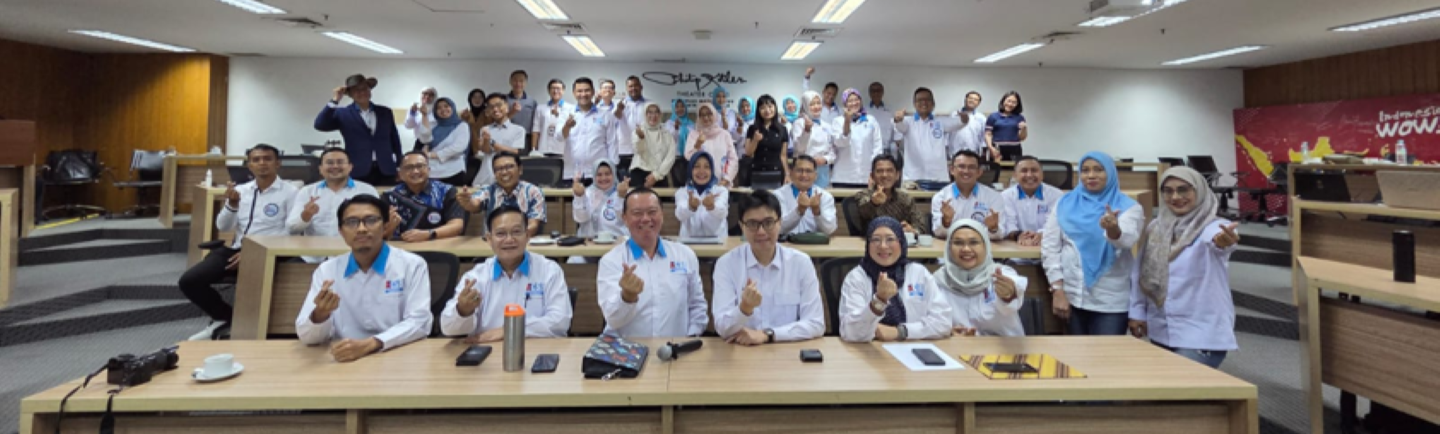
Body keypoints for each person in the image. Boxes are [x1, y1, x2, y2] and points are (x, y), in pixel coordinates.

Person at [181, 144, 298, 341]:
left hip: (272, 251)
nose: (262, 163)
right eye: (256, 159)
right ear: (249, 165)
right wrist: (232, 205)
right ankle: (227, 318)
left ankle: (254, 326)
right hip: (237, 248)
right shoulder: (240, 190)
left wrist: (254, 253)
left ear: (278, 163)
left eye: (267, 159)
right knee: (190, 281)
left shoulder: (291, 192)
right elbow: (223, 226)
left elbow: (291, 231)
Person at [295, 194, 432, 362]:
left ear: (386, 226)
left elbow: (420, 322)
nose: (361, 229)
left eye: (371, 220)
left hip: (398, 355)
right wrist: (320, 314)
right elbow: (307, 337)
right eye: (352, 222)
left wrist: (372, 344)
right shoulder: (327, 270)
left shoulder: (412, 265)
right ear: (341, 231)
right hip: (344, 358)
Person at [1130, 167, 1240, 369]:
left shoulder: (1213, 227)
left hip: (1201, 332)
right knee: (1166, 385)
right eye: (1168, 191)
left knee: (1180, 383)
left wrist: (1223, 242)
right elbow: (1141, 271)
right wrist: (1137, 312)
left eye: (1183, 190)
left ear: (1199, 190)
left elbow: (1219, 243)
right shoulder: (1156, 227)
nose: (1175, 197)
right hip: (1161, 328)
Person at [1042, 151, 1142, 336]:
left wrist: (1113, 229)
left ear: (1110, 173)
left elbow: (1126, 241)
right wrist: (1058, 290)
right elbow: (1050, 248)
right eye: (1085, 170)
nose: (1091, 175)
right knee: (1076, 352)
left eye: (1098, 170)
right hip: (1072, 296)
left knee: (1106, 353)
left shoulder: (1129, 207)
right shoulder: (1064, 203)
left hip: (1110, 300)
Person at [441, 205, 572, 341]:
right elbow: (447, 328)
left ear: (527, 235)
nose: (509, 239)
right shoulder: (476, 277)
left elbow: (560, 322)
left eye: (516, 232)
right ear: (489, 239)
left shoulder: (549, 270)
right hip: (488, 349)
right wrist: (462, 311)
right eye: (500, 234)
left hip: (537, 348)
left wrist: (508, 331)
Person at [713, 190, 825, 345]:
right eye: (752, 224)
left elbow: (816, 324)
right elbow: (722, 328)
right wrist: (744, 308)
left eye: (768, 223)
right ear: (741, 226)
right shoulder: (727, 264)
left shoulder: (801, 263)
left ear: (779, 223)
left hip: (787, 351)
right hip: (743, 351)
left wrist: (768, 334)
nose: (761, 231)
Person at [596, 188, 709, 338]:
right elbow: (613, 320)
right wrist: (627, 297)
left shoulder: (685, 255)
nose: (645, 219)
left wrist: (690, 339)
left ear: (662, 215)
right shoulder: (611, 261)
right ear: (625, 218)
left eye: (652, 212)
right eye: (637, 213)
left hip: (675, 348)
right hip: (626, 350)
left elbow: (697, 307)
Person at [839, 217, 952, 342]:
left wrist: (901, 331)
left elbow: (944, 322)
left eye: (890, 239)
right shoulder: (856, 277)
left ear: (901, 242)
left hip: (912, 347)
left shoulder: (919, 273)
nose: (883, 246)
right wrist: (878, 301)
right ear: (868, 245)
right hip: (868, 350)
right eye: (876, 240)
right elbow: (851, 333)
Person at [934, 219, 1028, 337]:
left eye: (973, 242)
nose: (966, 249)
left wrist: (1009, 295)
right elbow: (932, 322)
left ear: (985, 246)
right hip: (957, 346)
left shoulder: (1001, 274)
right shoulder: (937, 281)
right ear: (948, 247)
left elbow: (1014, 293)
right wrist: (948, 333)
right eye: (958, 243)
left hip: (1002, 346)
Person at [287, 147, 380, 263]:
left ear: (350, 167)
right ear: (320, 168)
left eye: (340, 162)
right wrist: (306, 215)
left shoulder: (367, 190)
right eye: (330, 163)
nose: (335, 166)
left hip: (354, 256)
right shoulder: (307, 192)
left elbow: (377, 225)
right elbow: (291, 228)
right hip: (313, 257)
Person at [314, 74, 404, 186]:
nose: (362, 92)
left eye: (365, 89)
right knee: (359, 197)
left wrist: (400, 166)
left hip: (386, 169)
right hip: (358, 169)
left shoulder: (385, 112)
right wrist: (335, 100)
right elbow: (319, 125)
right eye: (357, 90)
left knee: (386, 196)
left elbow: (395, 140)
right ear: (350, 94)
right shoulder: (342, 114)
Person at [384, 152, 467, 242]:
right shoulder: (390, 195)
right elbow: (379, 232)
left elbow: (457, 226)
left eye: (420, 166)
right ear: (400, 174)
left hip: (437, 245)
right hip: (400, 247)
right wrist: (389, 229)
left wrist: (428, 234)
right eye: (409, 167)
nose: (415, 171)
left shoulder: (447, 191)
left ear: (428, 170)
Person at [458, 152, 545, 237]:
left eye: (509, 167)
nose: (504, 172)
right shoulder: (488, 191)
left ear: (520, 170)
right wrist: (468, 202)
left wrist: (510, 237)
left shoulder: (533, 192)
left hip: (524, 242)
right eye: (498, 169)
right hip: (492, 243)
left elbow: (533, 225)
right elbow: (474, 204)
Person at [894, 87, 964, 191]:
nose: (924, 102)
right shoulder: (908, 122)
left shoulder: (940, 121)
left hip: (938, 178)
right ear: (914, 104)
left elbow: (959, 123)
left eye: (927, 99)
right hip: (913, 179)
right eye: (920, 100)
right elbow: (900, 126)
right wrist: (898, 119)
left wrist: (964, 119)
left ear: (933, 103)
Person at [930, 150, 1002, 239]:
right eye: (961, 166)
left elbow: (1000, 234)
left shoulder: (993, 197)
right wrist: (946, 221)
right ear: (952, 170)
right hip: (952, 244)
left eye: (971, 167)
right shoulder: (941, 197)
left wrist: (993, 228)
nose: (966, 171)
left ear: (979, 172)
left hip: (982, 245)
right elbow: (938, 232)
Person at [561, 77, 618, 188]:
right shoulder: (566, 113)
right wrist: (567, 126)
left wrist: (612, 172)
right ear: (574, 93)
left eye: (587, 90)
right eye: (579, 91)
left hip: (599, 175)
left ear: (593, 92)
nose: (583, 94)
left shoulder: (606, 115)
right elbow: (559, 136)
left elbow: (612, 144)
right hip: (573, 173)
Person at [1000, 156, 1063, 246]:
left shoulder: (1057, 195)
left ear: (1042, 174)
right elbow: (1009, 225)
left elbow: (1056, 224)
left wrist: (1042, 234)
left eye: (1034, 170)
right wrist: (1019, 235)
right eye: (1024, 171)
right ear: (1015, 175)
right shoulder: (1005, 196)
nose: (1029, 175)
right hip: (1015, 247)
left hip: (1047, 246)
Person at [856, 155, 924, 234]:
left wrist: (913, 230)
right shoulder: (863, 195)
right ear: (872, 176)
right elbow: (863, 211)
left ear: (897, 175)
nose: (885, 175)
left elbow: (921, 226)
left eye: (889, 171)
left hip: (899, 240)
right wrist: (873, 203)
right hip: (873, 239)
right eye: (879, 171)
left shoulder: (905, 199)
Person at [832, 88, 886, 189]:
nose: (854, 103)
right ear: (845, 104)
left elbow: (877, 148)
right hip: (843, 177)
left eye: (856, 99)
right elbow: (841, 142)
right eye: (850, 101)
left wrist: (875, 171)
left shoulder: (871, 120)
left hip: (866, 176)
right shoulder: (838, 121)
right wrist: (847, 122)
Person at [473, 93, 526, 187]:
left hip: (508, 175)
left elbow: (515, 151)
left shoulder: (519, 130)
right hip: (487, 175)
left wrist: (493, 143)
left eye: (498, 105)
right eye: (491, 107)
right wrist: (486, 141)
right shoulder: (485, 129)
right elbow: (486, 150)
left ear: (506, 106)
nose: (495, 109)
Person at [775, 155, 837, 236]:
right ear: (791, 173)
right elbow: (778, 228)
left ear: (815, 175)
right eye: (799, 170)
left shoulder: (825, 196)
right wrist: (799, 211)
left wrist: (817, 211)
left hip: (815, 242)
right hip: (787, 242)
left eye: (808, 171)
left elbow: (830, 229)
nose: (804, 175)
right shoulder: (778, 195)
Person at [683, 103, 739, 186]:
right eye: (702, 115)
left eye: (709, 114)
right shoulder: (693, 134)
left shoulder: (724, 134)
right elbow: (688, 157)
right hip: (700, 184)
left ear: (715, 115)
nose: (706, 118)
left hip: (722, 184)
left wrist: (726, 179)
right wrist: (698, 144)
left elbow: (733, 159)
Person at [676, 152, 730, 239]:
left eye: (706, 167)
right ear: (690, 170)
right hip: (689, 243)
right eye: (697, 166)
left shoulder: (720, 191)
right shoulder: (682, 192)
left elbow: (723, 212)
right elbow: (679, 214)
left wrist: (712, 207)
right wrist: (690, 207)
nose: (701, 171)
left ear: (712, 171)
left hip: (718, 242)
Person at [740, 95, 790, 187]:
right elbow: (748, 153)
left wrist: (787, 174)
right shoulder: (752, 128)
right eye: (762, 108)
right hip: (756, 171)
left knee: (776, 196)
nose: (767, 110)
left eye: (770, 106)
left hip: (776, 171)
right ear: (758, 110)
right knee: (757, 196)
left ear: (775, 108)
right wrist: (755, 140)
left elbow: (783, 155)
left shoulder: (782, 129)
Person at [573, 159, 630, 238]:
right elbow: (580, 218)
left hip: (616, 240)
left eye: (607, 174)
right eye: (599, 175)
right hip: (588, 241)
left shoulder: (622, 192)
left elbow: (625, 220)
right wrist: (579, 197)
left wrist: (621, 197)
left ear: (614, 174)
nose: (603, 178)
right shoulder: (586, 193)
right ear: (594, 176)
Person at [791, 90, 836, 188]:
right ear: (805, 105)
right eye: (812, 104)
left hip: (823, 170)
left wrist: (825, 159)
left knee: (822, 196)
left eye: (818, 103)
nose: (816, 107)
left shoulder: (827, 126)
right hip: (804, 170)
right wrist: (806, 131)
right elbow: (799, 148)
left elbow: (832, 150)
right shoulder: (799, 123)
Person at [628, 102, 677, 189]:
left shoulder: (666, 134)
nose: (653, 116)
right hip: (639, 173)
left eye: (656, 112)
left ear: (660, 114)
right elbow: (639, 151)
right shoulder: (638, 131)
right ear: (645, 114)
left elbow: (670, 157)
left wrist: (656, 175)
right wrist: (641, 138)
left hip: (660, 174)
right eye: (650, 112)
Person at [424, 97, 471, 186]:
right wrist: (424, 116)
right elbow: (424, 140)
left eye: (446, 106)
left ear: (452, 107)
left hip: (454, 171)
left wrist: (433, 155)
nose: (443, 109)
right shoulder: (434, 126)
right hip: (433, 171)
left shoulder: (462, 125)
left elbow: (459, 147)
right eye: (439, 108)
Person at [949, 91, 995, 161]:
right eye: (970, 98)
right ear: (965, 99)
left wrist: (983, 151)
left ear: (978, 103)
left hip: (973, 151)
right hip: (955, 150)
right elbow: (947, 135)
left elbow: (984, 136)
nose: (972, 100)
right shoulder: (953, 115)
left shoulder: (981, 118)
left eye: (975, 99)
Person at [614, 76, 650, 162]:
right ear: (627, 88)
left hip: (645, 148)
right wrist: (619, 109)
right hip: (624, 149)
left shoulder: (649, 104)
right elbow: (616, 117)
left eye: (636, 85)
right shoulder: (620, 104)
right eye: (630, 86)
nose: (633, 88)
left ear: (641, 87)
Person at [985, 91, 1028, 161]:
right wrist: (991, 147)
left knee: (1014, 167)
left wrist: (1024, 129)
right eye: (1009, 101)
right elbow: (988, 134)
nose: (1010, 104)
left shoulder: (1020, 118)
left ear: (1017, 104)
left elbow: (1022, 138)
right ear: (1003, 101)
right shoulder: (993, 116)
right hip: (997, 148)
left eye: (1014, 102)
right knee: (996, 167)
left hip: (1015, 149)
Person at [460, 88, 491, 186]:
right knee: (469, 177)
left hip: (486, 149)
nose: (477, 100)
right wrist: (464, 119)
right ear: (470, 99)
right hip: (469, 150)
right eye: (474, 97)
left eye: (480, 97)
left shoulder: (489, 113)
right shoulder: (465, 114)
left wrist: (489, 117)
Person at [531, 79, 568, 156]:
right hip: (544, 148)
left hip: (563, 150)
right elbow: (536, 129)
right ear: (548, 90)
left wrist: (558, 115)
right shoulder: (540, 108)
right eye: (553, 88)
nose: (555, 91)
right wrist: (533, 149)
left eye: (558, 89)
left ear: (563, 91)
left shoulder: (570, 108)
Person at [504, 70, 538, 151]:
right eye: (515, 80)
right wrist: (512, 112)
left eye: (521, 81)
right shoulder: (503, 99)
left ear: (526, 83)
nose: (518, 84)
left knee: (525, 158)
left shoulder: (532, 101)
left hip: (526, 137)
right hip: (507, 135)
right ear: (510, 82)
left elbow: (536, 123)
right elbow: (499, 119)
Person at [668, 99, 695, 183]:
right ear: (673, 108)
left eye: (682, 106)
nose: (680, 109)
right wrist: (676, 129)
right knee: (677, 184)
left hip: (689, 158)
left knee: (690, 183)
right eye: (677, 107)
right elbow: (669, 140)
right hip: (676, 159)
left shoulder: (691, 124)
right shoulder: (669, 124)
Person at [404, 86, 438, 153]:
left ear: (434, 97)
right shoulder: (416, 108)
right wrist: (412, 113)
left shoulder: (437, 109)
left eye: (431, 95)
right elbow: (408, 126)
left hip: (435, 142)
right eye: (425, 93)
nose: (427, 96)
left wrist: (425, 115)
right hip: (419, 142)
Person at [867, 81, 898, 154]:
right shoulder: (864, 111)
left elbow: (896, 130)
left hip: (886, 149)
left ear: (882, 92)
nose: (876, 93)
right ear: (869, 93)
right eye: (873, 91)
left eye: (878, 91)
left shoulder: (890, 111)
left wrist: (896, 143)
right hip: (869, 150)